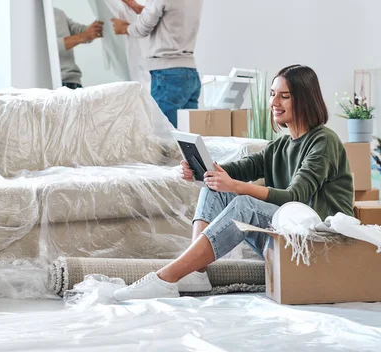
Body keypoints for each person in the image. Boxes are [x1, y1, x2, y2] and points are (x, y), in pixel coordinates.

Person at [109, 64, 355, 301]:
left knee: (245, 204)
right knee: (214, 188)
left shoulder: (324, 141)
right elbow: (241, 168)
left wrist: (236, 186)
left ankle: (167, 277)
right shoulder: (281, 145)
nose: (274, 103)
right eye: (272, 95)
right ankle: (196, 272)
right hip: (288, 236)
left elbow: (295, 197)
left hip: (319, 240)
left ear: (304, 100)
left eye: (285, 96)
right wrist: (201, 171)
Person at [111, 0, 203, 127]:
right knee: (186, 143)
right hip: (190, 74)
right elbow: (173, 18)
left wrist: (124, 28)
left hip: (168, 75)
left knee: (163, 140)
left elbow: (143, 28)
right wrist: (139, 9)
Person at [54, 8, 104, 89]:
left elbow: (78, 30)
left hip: (73, 82)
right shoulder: (28, 18)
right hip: (53, 84)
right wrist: (84, 36)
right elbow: (44, 49)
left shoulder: (56, 12)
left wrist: (96, 28)